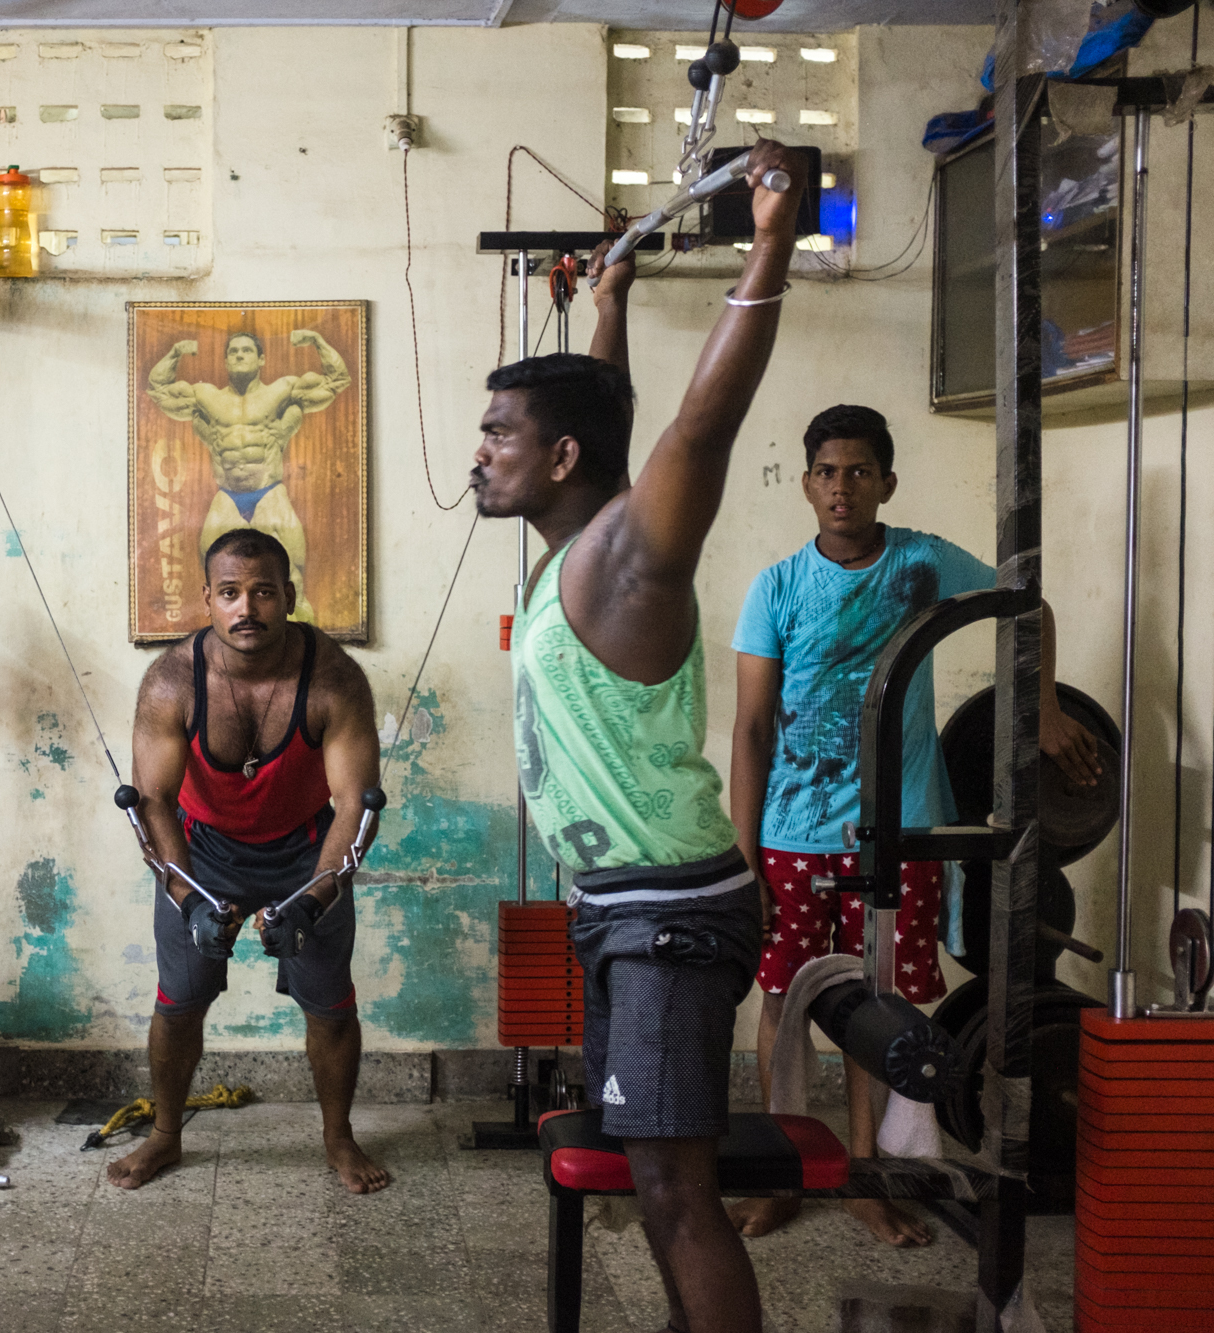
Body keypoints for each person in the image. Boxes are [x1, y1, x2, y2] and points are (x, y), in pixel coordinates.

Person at [473, 142, 804, 1333]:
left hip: (666, 914)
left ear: (554, 459)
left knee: (674, 1191)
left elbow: (695, 433)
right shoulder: (581, 539)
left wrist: (767, 246)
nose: (479, 452)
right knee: (651, 1176)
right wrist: (606, 302)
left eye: (497, 434)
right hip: (627, 910)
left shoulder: (622, 556)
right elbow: (601, 424)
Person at [727, 403, 1103, 1246]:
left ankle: (867, 1177)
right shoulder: (778, 587)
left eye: (859, 471)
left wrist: (1039, 709)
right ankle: (793, 1171)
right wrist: (745, 855)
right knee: (785, 1002)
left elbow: (1025, 608)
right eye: (827, 471)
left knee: (884, 1009)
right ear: (806, 484)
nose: (842, 487)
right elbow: (752, 729)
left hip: (901, 833)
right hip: (794, 833)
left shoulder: (923, 562)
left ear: (886, 482)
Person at [111, 528, 386, 1194]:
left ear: (289, 595)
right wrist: (188, 900)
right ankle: (166, 1135)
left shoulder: (334, 678)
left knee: (331, 1007)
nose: (247, 608)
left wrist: (315, 897)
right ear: (207, 599)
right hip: (201, 854)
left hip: (306, 851)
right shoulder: (172, 682)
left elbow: (356, 805)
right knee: (177, 1004)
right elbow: (150, 803)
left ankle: (338, 1137)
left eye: (263, 592)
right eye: (230, 593)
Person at [146, 329, 353, 621]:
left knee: (292, 575)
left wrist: (318, 341)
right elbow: (158, 389)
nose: (240, 355)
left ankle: (297, 642)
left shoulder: (281, 391)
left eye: (247, 350)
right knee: (215, 575)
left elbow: (337, 380)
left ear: (261, 359)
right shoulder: (206, 396)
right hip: (227, 497)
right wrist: (176, 352)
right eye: (234, 351)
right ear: (226, 361)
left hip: (269, 493)